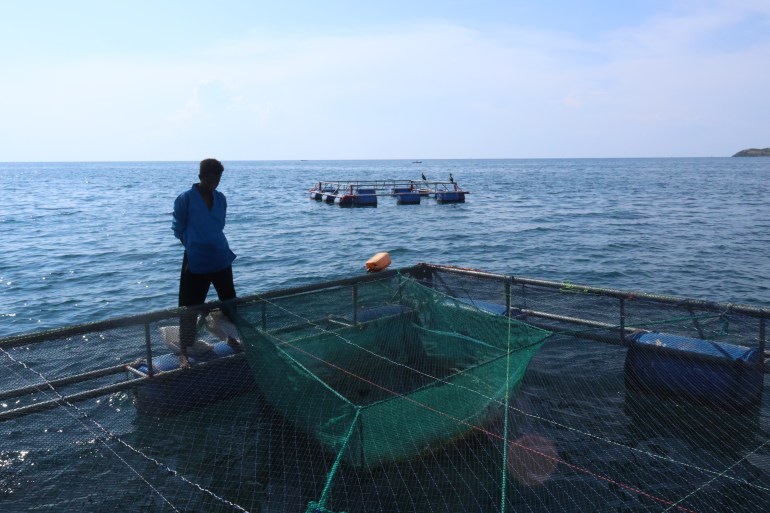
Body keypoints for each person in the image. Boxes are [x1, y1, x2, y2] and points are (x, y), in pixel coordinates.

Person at [172, 158, 239, 367]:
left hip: (221, 257)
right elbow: (178, 227)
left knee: (230, 303)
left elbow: (220, 224)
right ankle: (184, 351)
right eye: (211, 178)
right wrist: (193, 244)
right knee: (189, 307)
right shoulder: (185, 198)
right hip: (196, 261)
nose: (214, 183)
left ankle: (233, 338)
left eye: (218, 179)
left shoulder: (221, 198)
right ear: (201, 176)